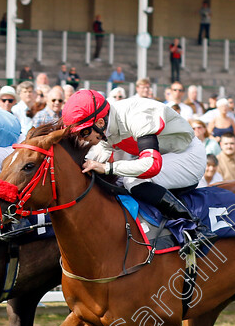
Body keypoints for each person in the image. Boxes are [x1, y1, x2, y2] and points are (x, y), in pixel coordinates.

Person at [66, 89, 215, 248]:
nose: (82, 138)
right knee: (117, 181)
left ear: (100, 123)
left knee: (131, 180)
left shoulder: (136, 116)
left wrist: (107, 167)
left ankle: (195, 227)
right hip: (167, 156)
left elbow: (151, 166)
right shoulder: (105, 126)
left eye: (83, 132)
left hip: (188, 156)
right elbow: (98, 161)